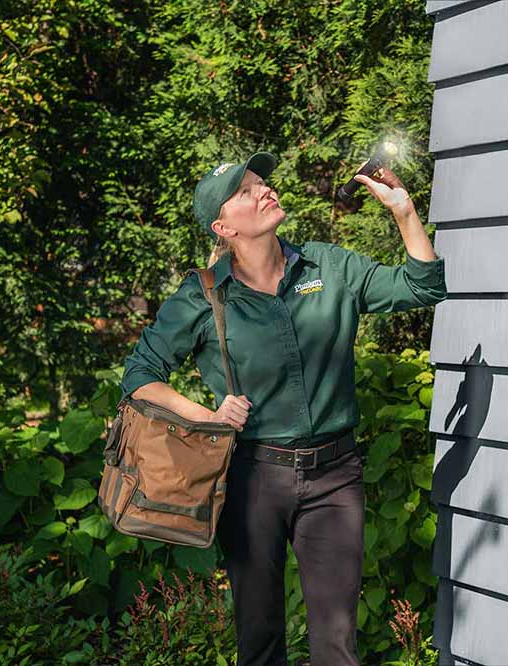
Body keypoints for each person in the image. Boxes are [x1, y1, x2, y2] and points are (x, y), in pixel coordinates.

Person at [119, 151, 447, 666]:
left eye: (261, 182)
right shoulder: (203, 297)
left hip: (335, 477)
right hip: (252, 480)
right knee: (261, 639)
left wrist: (404, 211)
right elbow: (140, 378)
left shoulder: (330, 267)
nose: (264, 191)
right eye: (246, 191)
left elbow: (422, 287)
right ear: (222, 226)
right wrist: (207, 415)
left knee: (337, 644)